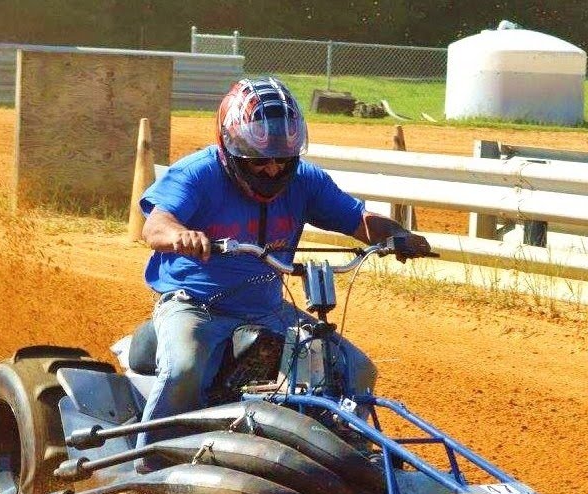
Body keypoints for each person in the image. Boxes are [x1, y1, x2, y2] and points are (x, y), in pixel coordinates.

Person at [133, 76, 431, 472]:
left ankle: (348, 459)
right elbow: (155, 225)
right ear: (230, 150)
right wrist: (180, 235)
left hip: (269, 308)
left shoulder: (305, 181)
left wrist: (398, 235)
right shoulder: (199, 174)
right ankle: (150, 469)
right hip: (197, 305)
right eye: (259, 160)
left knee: (355, 367)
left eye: (282, 159)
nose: (272, 169)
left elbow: (357, 219)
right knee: (186, 367)